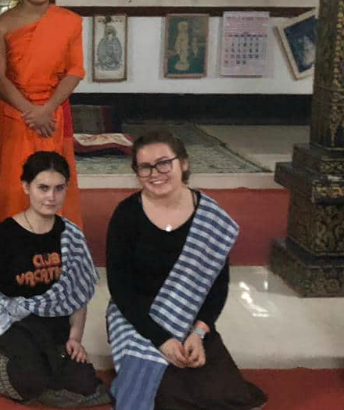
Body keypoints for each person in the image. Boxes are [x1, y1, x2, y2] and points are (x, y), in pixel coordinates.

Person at [106, 130, 267, 410]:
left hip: (190, 316)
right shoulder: (127, 214)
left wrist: (199, 332)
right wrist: (161, 339)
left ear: (184, 164)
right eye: (145, 167)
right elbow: (119, 288)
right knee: (161, 397)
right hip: (138, 316)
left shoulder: (211, 217)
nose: (155, 173)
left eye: (163, 163)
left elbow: (218, 286)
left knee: (227, 396)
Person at [0, 151, 109, 407]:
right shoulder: (5, 235)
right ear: (26, 187)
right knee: (30, 378)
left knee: (87, 385)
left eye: (59, 188)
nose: (51, 197)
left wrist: (75, 339)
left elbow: (77, 298)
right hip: (16, 326)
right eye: (43, 188)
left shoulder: (71, 235)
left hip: (55, 328)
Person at [0, 0, 84, 229]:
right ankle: (14, 248)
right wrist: (31, 110)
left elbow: (75, 70)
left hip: (53, 114)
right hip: (16, 114)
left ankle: (58, 248)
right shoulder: (2, 24)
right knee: (14, 185)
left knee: (55, 181)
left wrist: (47, 109)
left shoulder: (68, 22)